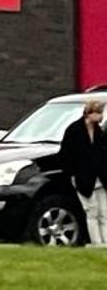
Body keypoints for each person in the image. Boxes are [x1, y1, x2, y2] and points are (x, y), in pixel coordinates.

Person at [57, 99, 107, 247]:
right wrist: (72, 175)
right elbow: (66, 155)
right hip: (83, 178)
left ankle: (105, 242)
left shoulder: (99, 132)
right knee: (91, 211)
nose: (100, 117)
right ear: (89, 113)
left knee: (104, 212)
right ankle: (97, 243)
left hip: (100, 178)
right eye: (98, 113)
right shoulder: (74, 130)